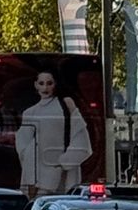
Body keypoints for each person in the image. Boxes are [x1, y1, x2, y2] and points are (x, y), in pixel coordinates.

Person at [14, 68, 92, 198]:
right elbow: (23, 144)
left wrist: (65, 162)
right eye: (41, 83)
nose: (45, 87)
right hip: (38, 170)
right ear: (35, 85)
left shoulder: (66, 104)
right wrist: (30, 162)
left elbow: (80, 134)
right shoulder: (29, 112)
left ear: (55, 84)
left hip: (62, 168)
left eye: (49, 83)